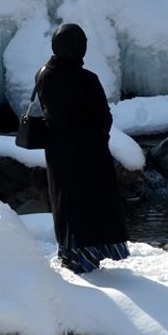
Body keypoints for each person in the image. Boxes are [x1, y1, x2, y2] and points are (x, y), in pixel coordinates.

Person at [37, 23, 129, 274]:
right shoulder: (87, 79)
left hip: (57, 150)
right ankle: (90, 256)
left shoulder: (43, 74)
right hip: (88, 151)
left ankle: (69, 254)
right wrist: (98, 136)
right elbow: (104, 117)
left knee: (65, 202)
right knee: (91, 204)